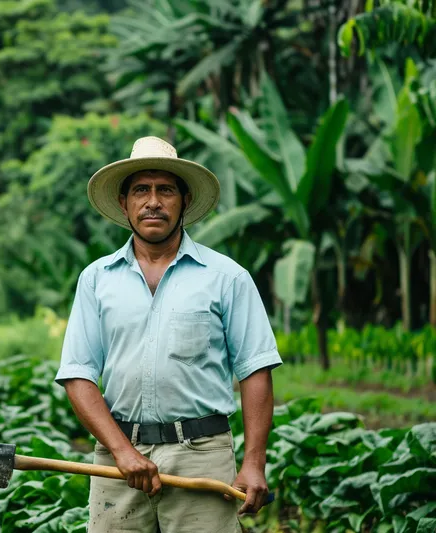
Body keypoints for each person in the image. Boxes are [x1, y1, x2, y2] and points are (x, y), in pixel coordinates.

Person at [54, 136, 282, 532]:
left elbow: (255, 371)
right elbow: (78, 376)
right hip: (116, 458)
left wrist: (253, 462)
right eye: (141, 190)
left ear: (184, 201)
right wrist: (123, 452)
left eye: (165, 190)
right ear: (125, 203)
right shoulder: (96, 280)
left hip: (202, 455)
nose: (153, 201)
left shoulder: (227, 277)